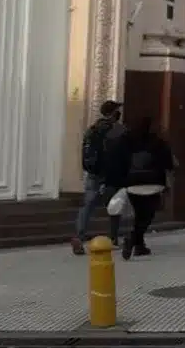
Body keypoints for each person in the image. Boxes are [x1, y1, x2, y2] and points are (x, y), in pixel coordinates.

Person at [104, 115, 174, 260]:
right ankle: (133, 239)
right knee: (147, 215)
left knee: (139, 214)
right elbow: (168, 162)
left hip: (132, 183)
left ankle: (139, 245)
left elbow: (116, 161)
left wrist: (120, 180)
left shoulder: (125, 141)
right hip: (153, 183)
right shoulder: (157, 141)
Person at [72, 100, 125, 255]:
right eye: (117, 111)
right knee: (115, 206)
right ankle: (113, 239)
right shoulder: (117, 131)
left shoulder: (92, 129)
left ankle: (79, 236)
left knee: (87, 206)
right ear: (113, 113)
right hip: (111, 175)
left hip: (93, 173)